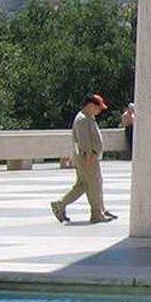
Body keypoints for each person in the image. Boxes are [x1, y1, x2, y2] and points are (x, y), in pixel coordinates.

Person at [50, 94, 118, 224]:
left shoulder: (88, 118)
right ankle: (96, 214)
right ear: (91, 105)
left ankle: (60, 204)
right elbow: (84, 141)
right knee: (94, 185)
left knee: (82, 185)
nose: (99, 111)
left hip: (88, 157)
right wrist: (90, 155)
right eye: (98, 108)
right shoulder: (82, 120)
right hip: (87, 157)